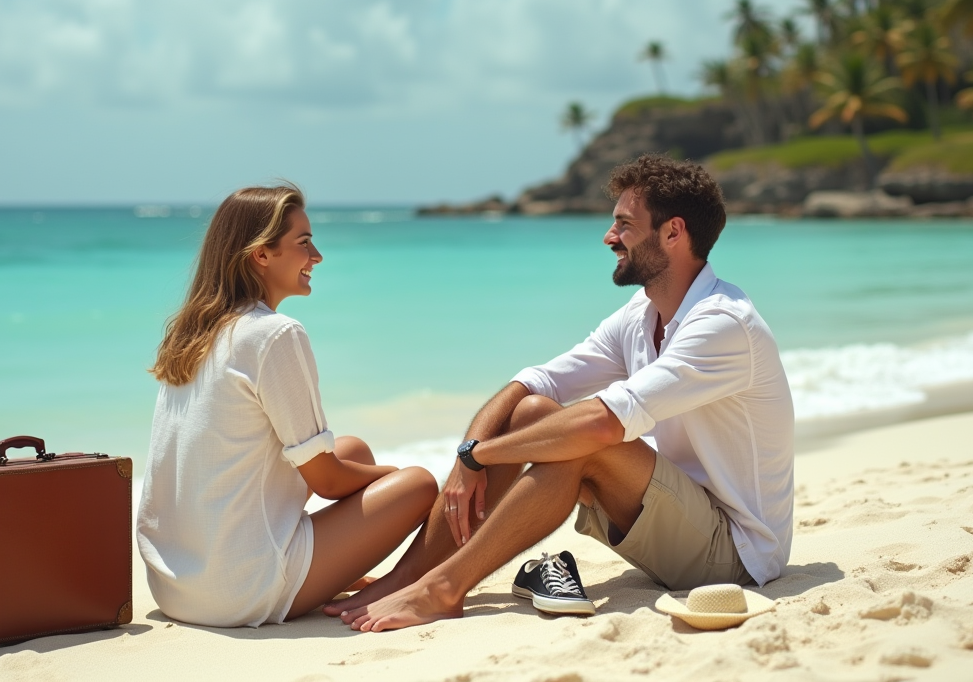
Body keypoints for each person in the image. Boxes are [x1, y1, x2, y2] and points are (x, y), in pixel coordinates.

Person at [332, 155, 794, 631]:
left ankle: (442, 590)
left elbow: (602, 423)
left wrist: (479, 456)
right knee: (533, 411)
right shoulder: (642, 314)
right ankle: (408, 577)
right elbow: (537, 382)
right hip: (673, 525)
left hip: (735, 555)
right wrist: (468, 452)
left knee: (584, 442)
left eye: (625, 224)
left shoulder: (722, 323)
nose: (609, 237)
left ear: (673, 232)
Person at [136, 184, 437, 628]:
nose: (317, 256)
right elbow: (328, 482)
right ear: (261, 254)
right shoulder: (274, 334)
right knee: (419, 484)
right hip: (238, 592)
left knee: (353, 449)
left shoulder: (194, 333)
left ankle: (329, 567)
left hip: (174, 584)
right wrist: (393, 476)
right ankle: (398, 584)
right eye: (304, 242)